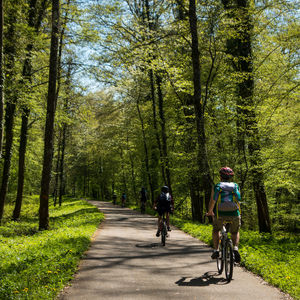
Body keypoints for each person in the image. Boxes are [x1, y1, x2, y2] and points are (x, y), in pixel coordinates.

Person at [206, 167, 241, 263]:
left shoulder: (217, 186)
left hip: (220, 213)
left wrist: (210, 212)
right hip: (234, 213)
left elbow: (213, 200)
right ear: (230, 177)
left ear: (220, 177)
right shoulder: (235, 186)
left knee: (216, 229)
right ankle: (235, 248)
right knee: (235, 232)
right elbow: (238, 200)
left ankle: (216, 250)